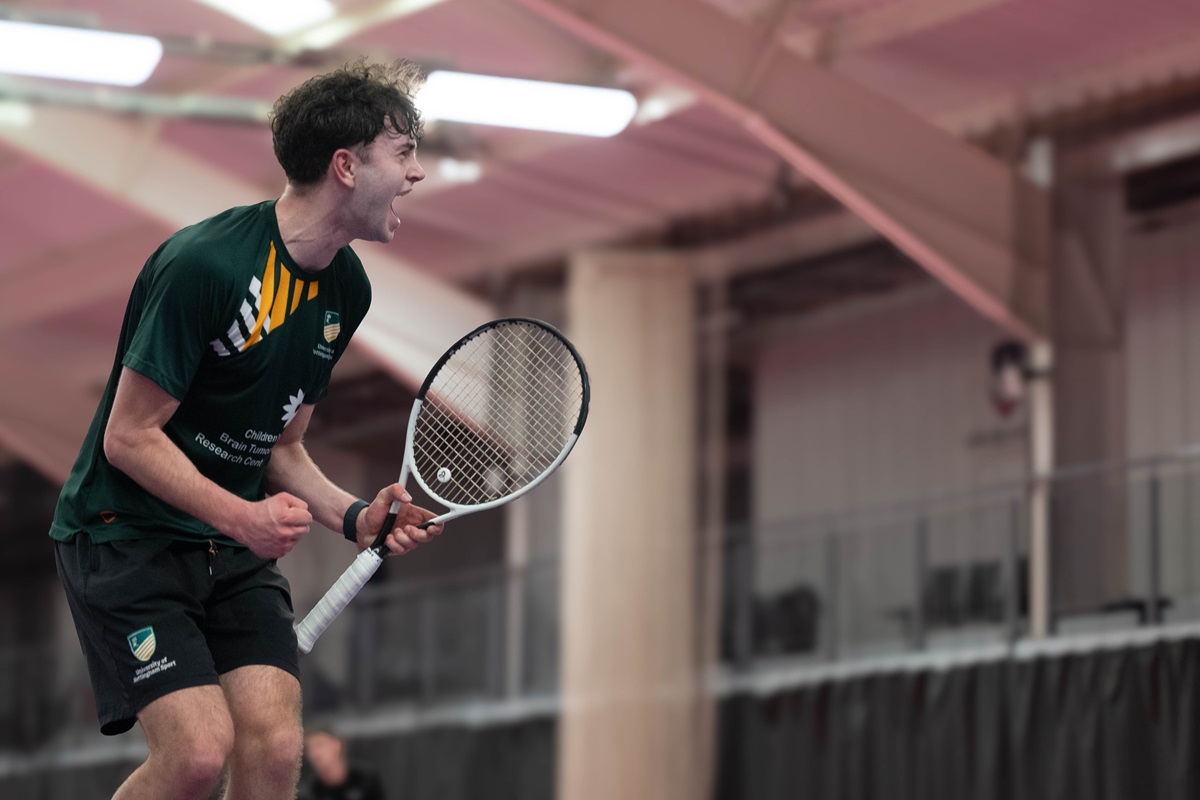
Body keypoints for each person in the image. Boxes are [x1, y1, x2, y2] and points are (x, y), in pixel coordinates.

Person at [49, 60, 443, 800]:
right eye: (404, 153)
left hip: (227, 544)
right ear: (346, 167)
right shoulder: (207, 265)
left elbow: (282, 446)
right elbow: (127, 437)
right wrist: (243, 518)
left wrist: (355, 516)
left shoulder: (346, 287)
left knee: (275, 745)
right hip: (125, 535)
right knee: (197, 754)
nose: (417, 173)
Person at [300, 725, 385, 800]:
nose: (314, 753)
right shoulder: (309, 790)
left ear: (336, 745)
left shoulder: (365, 778)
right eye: (309, 748)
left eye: (320, 745)